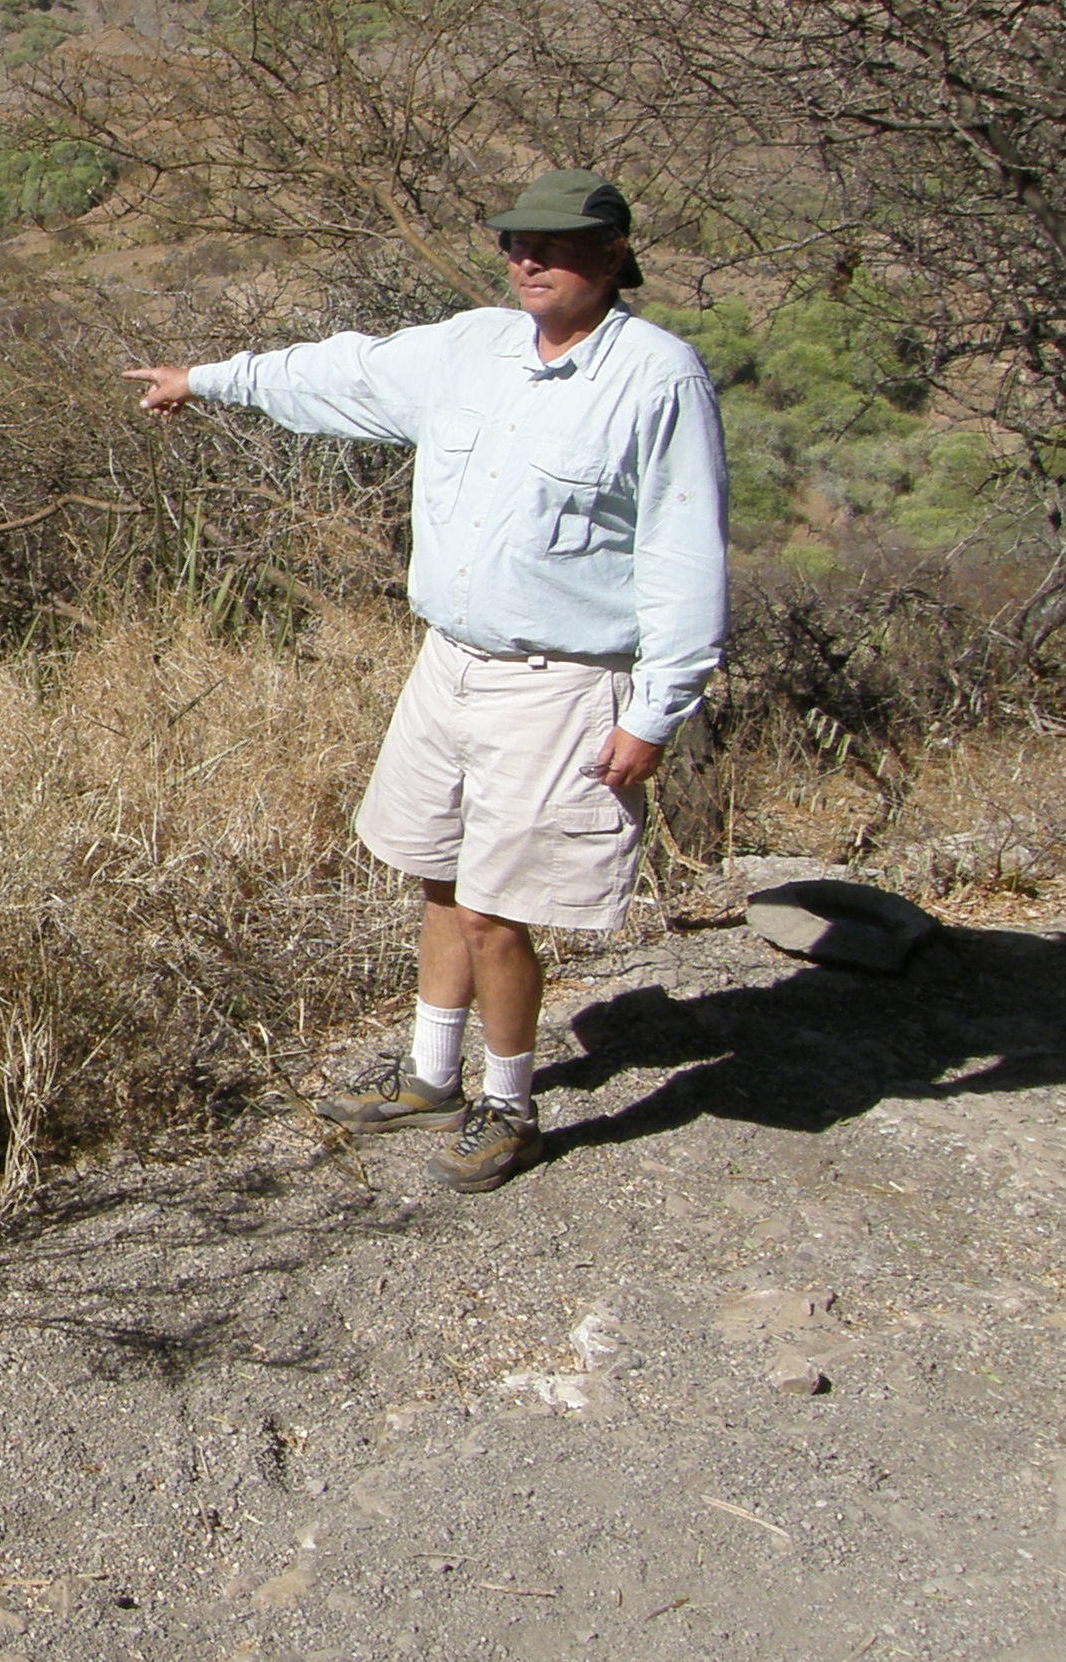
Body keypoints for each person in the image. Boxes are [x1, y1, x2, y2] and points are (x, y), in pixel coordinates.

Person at [121, 170, 728, 1190]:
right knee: (439, 871)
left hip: (562, 681)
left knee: (499, 906)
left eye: (557, 245)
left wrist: (660, 709)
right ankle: (431, 1075)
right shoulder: (473, 348)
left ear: (616, 256)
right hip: (448, 659)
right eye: (515, 242)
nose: (529, 261)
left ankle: (510, 1104)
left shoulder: (657, 377)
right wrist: (210, 379)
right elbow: (341, 375)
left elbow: (682, 552)